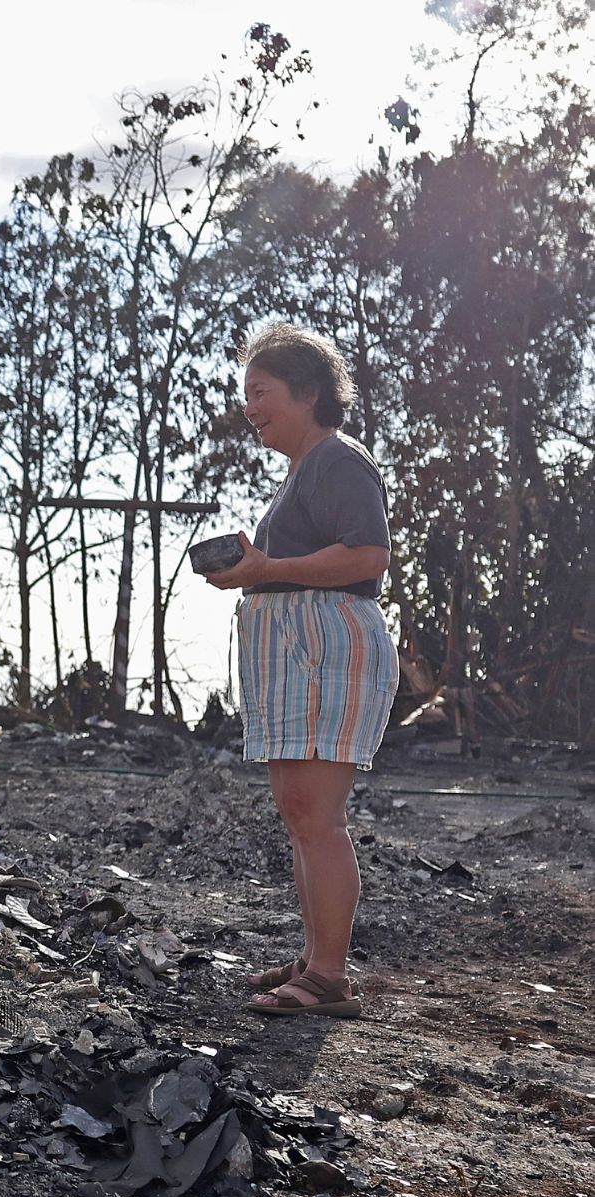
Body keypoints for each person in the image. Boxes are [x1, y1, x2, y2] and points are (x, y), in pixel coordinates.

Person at [204, 323, 399, 1019]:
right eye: (245, 394)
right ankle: (318, 956)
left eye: (260, 392)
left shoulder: (338, 460)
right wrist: (252, 577)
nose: (250, 407)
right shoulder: (303, 471)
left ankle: (328, 978)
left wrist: (268, 570)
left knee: (318, 815)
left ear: (308, 392)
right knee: (301, 814)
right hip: (297, 650)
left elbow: (368, 555)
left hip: (327, 647)